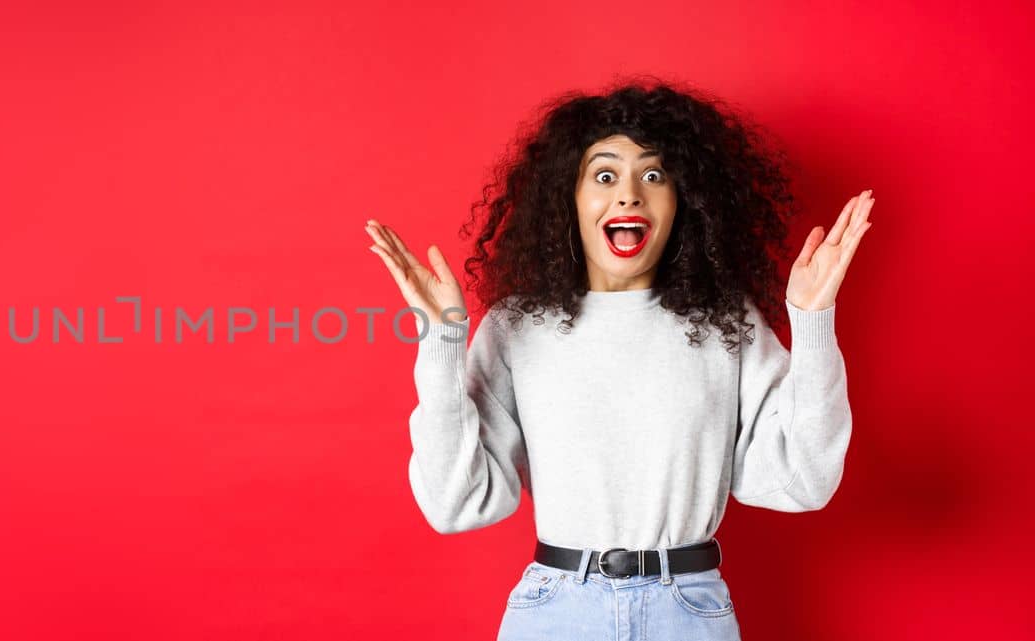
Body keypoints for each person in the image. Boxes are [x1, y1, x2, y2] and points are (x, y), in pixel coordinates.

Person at [363, 78, 874, 640]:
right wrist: (442, 343)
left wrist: (812, 319)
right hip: (556, 612)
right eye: (604, 175)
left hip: (689, 610)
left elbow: (803, 480)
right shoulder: (516, 327)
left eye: (653, 175)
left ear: (683, 200)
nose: (629, 194)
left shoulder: (727, 323)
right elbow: (457, 505)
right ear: (571, 199)